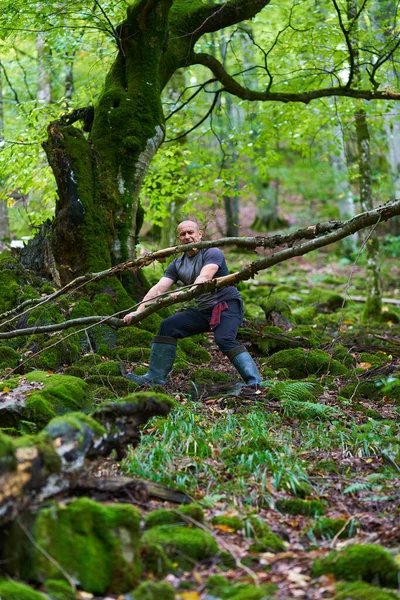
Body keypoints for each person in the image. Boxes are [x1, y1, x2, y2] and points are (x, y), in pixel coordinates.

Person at [123, 220, 261, 387]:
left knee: (224, 339)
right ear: (178, 238)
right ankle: (154, 378)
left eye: (191, 232)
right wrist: (138, 312)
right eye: (183, 234)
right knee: (168, 326)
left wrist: (184, 293)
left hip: (226, 305)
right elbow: (159, 288)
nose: (187, 237)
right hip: (204, 310)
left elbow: (204, 277)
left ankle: (254, 383)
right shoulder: (177, 264)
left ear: (199, 235)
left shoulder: (212, 252)